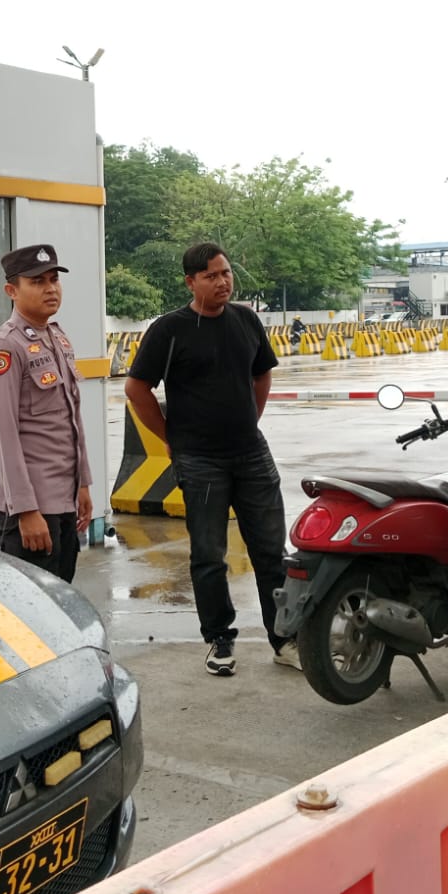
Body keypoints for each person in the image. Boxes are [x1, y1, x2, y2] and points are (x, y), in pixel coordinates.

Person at [124, 242, 297, 677]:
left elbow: (262, 373)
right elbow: (136, 389)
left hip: (252, 454)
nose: (222, 282)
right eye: (211, 276)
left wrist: (250, 420)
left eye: (226, 273)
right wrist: (170, 437)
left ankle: (285, 638)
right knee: (209, 555)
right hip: (200, 460)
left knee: (271, 553)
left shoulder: (246, 320)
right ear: (190, 282)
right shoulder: (169, 330)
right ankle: (220, 639)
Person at [0, 244, 92, 583]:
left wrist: (83, 484)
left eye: (54, 279)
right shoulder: (4, 347)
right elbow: (4, 435)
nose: (50, 288)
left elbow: (73, 420)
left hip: (65, 500)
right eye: (37, 281)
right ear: (11, 291)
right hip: (33, 507)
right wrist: (26, 510)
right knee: (33, 607)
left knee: (62, 600)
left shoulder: (57, 338)